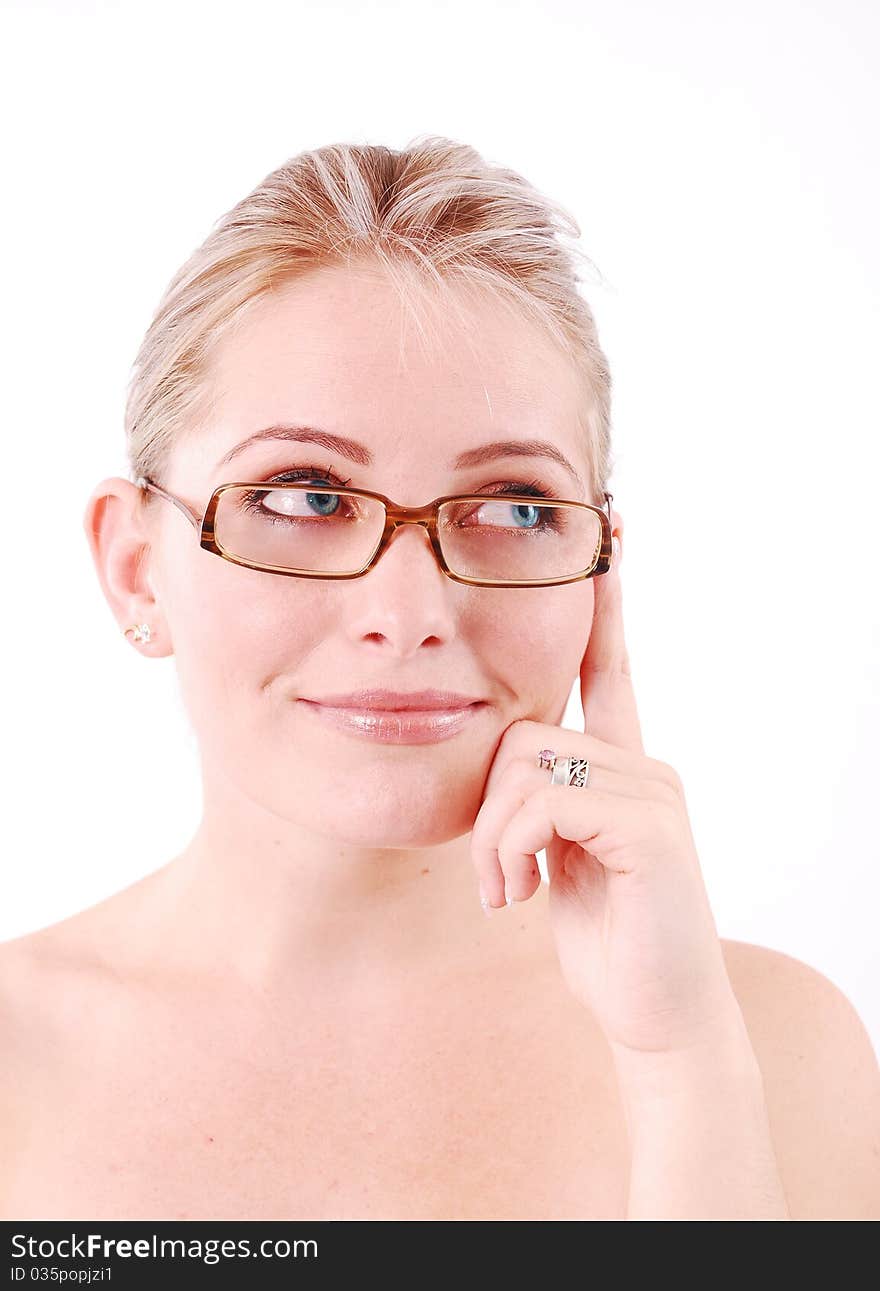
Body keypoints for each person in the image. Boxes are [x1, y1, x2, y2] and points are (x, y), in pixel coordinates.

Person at [2, 137, 878, 1221]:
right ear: (134, 565)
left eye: (515, 507)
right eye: (305, 494)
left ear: (597, 569)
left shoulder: (766, 1046)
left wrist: (677, 1071)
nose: (408, 617)